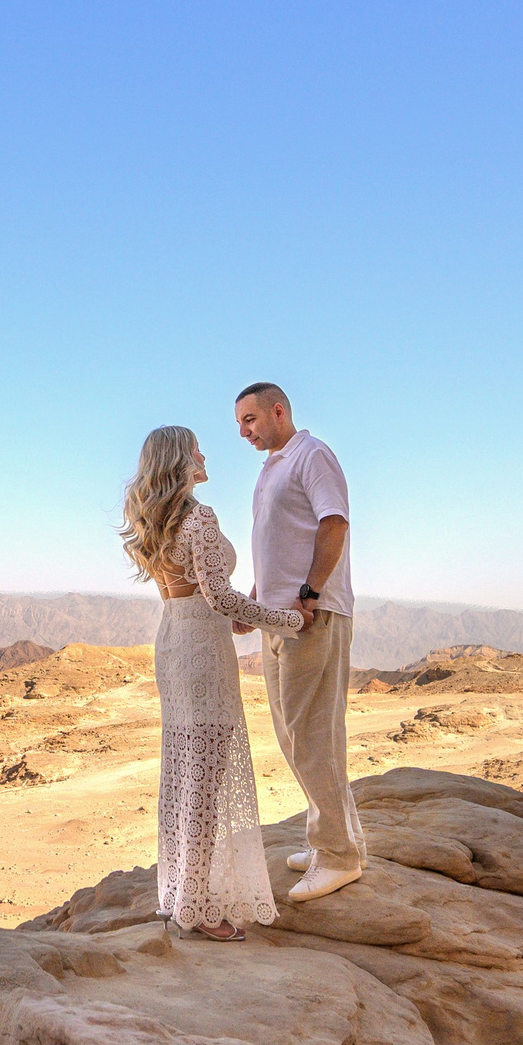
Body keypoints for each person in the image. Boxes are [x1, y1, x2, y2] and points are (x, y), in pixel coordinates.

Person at [117, 424, 305, 941]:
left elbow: (192, 597)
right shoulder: (198, 517)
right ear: (180, 459)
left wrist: (233, 618)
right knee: (205, 779)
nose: (204, 454)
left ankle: (182, 893)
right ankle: (198, 907)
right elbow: (219, 597)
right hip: (201, 654)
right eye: (196, 448)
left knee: (185, 772)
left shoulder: (154, 519)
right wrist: (287, 621)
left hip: (173, 642)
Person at [233, 382, 365, 902]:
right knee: (295, 736)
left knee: (312, 737)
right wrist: (255, 600)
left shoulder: (312, 455)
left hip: (311, 617)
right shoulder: (272, 467)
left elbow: (334, 524)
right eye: (240, 424)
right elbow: (278, 543)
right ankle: (337, 841)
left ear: (277, 411)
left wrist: (309, 594)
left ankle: (338, 857)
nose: (243, 432)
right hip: (277, 618)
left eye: (249, 420)